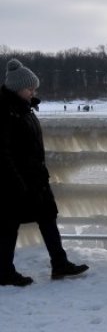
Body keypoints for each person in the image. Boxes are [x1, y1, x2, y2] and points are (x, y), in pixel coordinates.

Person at [0, 59, 89, 287]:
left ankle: (59, 263)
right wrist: (16, 183)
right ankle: (4, 271)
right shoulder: (6, 112)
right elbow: (3, 152)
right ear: (17, 88)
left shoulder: (23, 109)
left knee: (48, 218)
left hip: (35, 177)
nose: (33, 92)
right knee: (9, 225)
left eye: (34, 88)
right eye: (30, 88)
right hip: (16, 181)